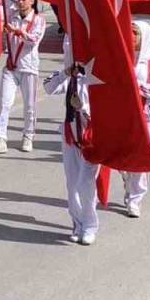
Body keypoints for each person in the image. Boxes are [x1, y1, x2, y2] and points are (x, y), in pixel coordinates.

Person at [42, 49, 99, 244]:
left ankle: (90, 225)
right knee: (72, 183)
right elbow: (47, 87)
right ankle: (78, 222)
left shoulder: (97, 79)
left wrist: (82, 107)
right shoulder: (71, 77)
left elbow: (104, 113)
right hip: (70, 135)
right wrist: (65, 73)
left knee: (86, 183)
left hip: (92, 138)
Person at [0, 0, 46, 154]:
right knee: (5, 102)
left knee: (29, 105)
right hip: (11, 66)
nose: (20, 2)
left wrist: (18, 32)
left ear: (32, 1)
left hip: (29, 68)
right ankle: (0, 138)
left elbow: (33, 40)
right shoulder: (12, 16)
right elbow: (7, 0)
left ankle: (28, 136)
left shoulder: (38, 20)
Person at [121, 21, 150, 218]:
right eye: (129, 32)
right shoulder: (122, 58)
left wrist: (137, 85)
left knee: (140, 159)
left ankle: (135, 199)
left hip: (148, 117)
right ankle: (129, 182)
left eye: (135, 33)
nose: (131, 36)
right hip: (126, 116)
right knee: (124, 159)